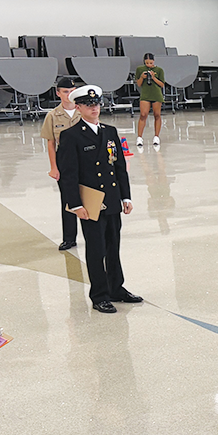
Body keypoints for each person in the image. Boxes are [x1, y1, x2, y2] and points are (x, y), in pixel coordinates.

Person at [57, 85, 141, 314]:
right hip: (91, 203)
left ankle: (117, 288)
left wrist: (126, 196)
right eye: (88, 105)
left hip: (112, 200)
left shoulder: (110, 132)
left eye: (96, 104)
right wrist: (75, 205)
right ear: (78, 107)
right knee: (96, 250)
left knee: (113, 247)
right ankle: (100, 295)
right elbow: (69, 175)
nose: (94, 108)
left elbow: (119, 167)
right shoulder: (71, 136)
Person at [40, 77, 82, 251]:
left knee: (92, 198)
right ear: (58, 93)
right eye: (65, 92)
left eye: (72, 91)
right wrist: (54, 167)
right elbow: (51, 143)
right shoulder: (52, 116)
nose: (69, 95)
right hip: (65, 163)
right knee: (68, 201)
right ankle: (69, 238)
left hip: (85, 160)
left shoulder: (84, 111)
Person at [135, 53, 166, 147]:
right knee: (143, 115)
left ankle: (156, 136)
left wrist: (153, 78)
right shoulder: (140, 69)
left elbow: (162, 84)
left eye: (151, 63)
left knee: (157, 115)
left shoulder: (159, 70)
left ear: (154, 61)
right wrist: (142, 77)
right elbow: (139, 84)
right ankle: (139, 137)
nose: (149, 65)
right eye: (147, 63)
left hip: (156, 94)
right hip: (145, 94)